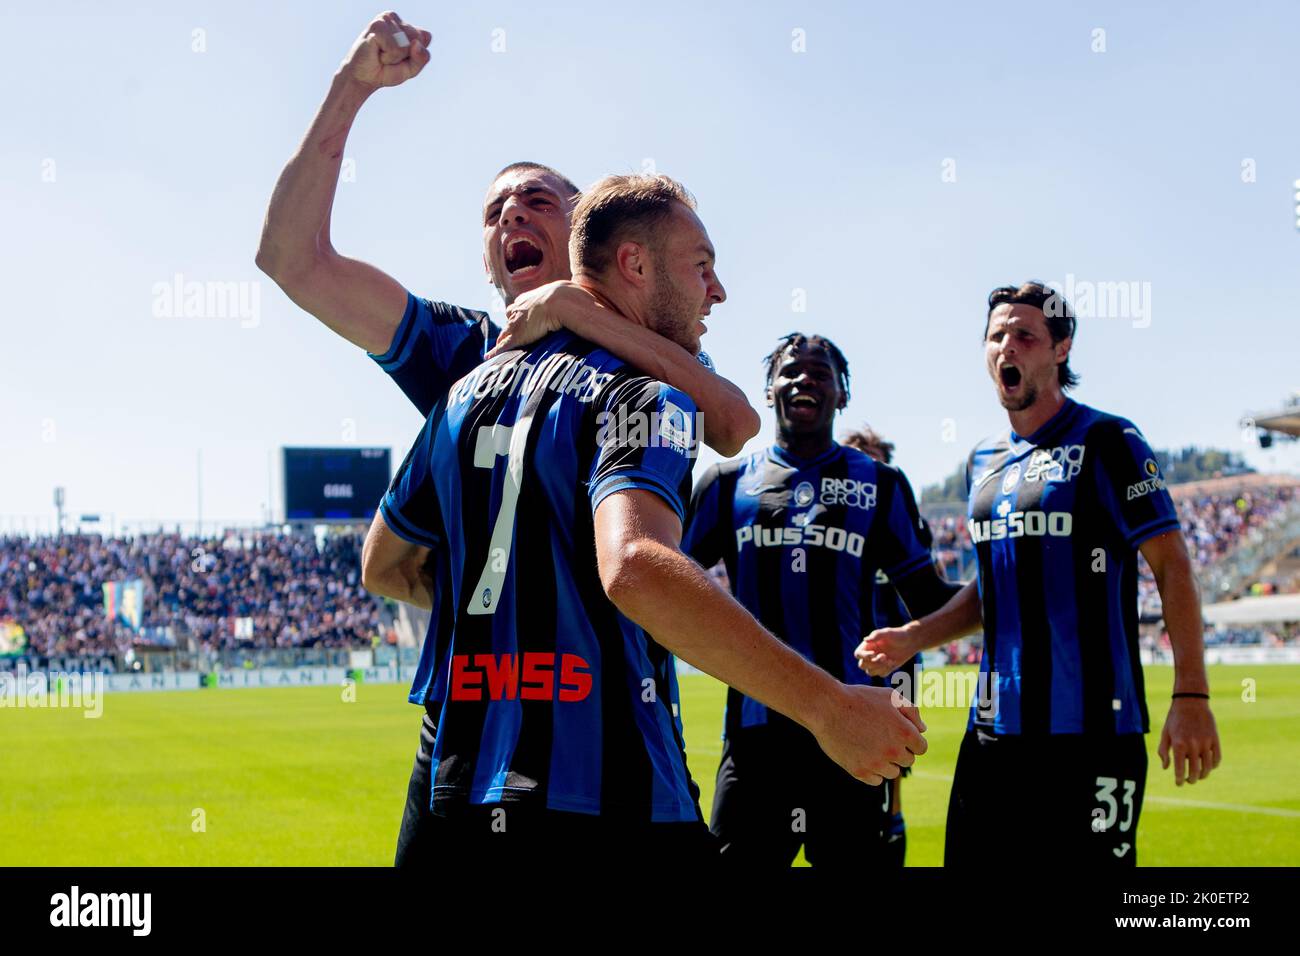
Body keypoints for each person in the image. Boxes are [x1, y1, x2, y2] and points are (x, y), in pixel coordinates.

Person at [253, 11, 759, 864]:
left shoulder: (640, 356)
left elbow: (733, 420)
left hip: (617, 731)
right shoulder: (464, 355)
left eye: (538, 198)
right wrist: (351, 88)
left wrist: (570, 311)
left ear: (591, 233)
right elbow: (292, 260)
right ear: (491, 262)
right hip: (470, 743)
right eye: (494, 210)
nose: (510, 214)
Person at [361, 175, 928, 865]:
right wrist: (828, 707)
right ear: (635, 264)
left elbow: (383, 564)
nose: (716, 291)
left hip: (454, 790)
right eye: (702, 267)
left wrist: (525, 605)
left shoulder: (463, 395)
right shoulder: (648, 392)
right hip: (608, 793)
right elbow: (633, 567)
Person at [857, 281, 1222, 867]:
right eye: (997, 336)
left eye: (1025, 335)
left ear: (1061, 349)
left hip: (1095, 736)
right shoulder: (982, 462)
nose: (1009, 347)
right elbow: (992, 591)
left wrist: (1192, 694)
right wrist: (913, 637)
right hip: (994, 735)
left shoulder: (1109, 440)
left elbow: (1173, 567)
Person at [683, 335, 958, 868]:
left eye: (820, 373)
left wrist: (1004, 582)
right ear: (768, 390)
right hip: (755, 740)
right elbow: (668, 581)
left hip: (851, 734)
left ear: (842, 394)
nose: (804, 380)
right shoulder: (725, 483)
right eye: (790, 371)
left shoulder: (880, 484)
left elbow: (929, 598)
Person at [839, 422, 940, 861]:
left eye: (875, 460)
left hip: (899, 664)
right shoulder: (835, 526)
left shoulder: (899, 516)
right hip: (843, 659)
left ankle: (890, 834)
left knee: (892, 765)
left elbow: (926, 592)